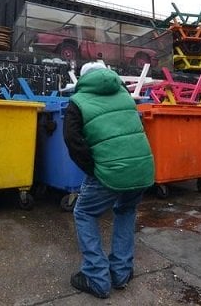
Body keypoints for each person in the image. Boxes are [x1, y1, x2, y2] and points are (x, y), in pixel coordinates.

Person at [63, 61, 155, 299]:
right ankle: (121, 273)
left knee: (84, 213)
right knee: (125, 211)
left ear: (82, 80)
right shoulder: (126, 95)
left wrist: (94, 170)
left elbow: (74, 143)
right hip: (142, 167)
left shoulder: (78, 102)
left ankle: (96, 277)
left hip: (110, 169)